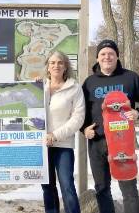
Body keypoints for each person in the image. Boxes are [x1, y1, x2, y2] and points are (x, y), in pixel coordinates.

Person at [81, 39, 139, 213]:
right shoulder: (89, 82)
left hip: (123, 142)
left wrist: (138, 112)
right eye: (103, 54)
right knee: (102, 188)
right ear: (97, 58)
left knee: (129, 189)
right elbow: (80, 111)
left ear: (117, 56)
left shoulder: (130, 77)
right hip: (97, 142)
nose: (107, 57)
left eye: (111, 53)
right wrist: (84, 129)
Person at [40, 51, 85, 213]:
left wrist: (55, 135)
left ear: (65, 66)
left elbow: (78, 119)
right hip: (41, 145)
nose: (56, 65)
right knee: (47, 187)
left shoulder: (74, 88)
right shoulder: (39, 87)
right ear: (48, 67)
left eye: (60, 62)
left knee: (67, 185)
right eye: (52, 63)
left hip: (63, 145)